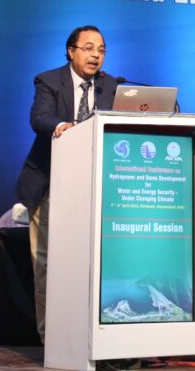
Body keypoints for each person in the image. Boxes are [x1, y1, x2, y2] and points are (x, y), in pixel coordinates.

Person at [15, 25, 119, 342]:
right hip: (50, 182)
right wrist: (63, 125)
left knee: (93, 262)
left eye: (101, 50)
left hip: (96, 188)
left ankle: (93, 331)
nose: (95, 55)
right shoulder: (48, 80)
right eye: (88, 48)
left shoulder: (110, 85)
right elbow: (39, 118)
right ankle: (51, 336)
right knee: (48, 262)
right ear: (71, 51)